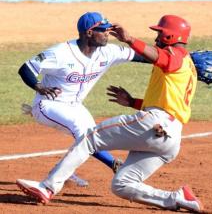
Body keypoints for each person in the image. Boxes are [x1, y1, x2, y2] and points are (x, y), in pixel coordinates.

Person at [16, 15, 204, 213]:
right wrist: (132, 102)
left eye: (159, 33)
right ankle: (178, 198)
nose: (156, 38)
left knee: (89, 137)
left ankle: (47, 188)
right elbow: (167, 97)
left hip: (155, 122)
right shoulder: (185, 64)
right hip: (170, 138)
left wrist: (130, 39)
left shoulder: (175, 57)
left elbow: (160, 58)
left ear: (169, 36)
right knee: (122, 184)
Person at [17, 11, 146, 187]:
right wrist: (39, 87)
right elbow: (26, 68)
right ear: (89, 33)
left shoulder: (108, 52)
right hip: (48, 105)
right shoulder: (60, 53)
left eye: (108, 29)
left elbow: (143, 57)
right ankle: (115, 165)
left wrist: (172, 59)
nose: (108, 33)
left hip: (76, 107)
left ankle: (63, 170)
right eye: (103, 30)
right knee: (84, 133)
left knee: (94, 136)